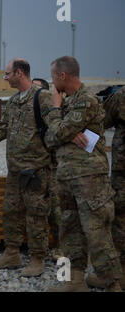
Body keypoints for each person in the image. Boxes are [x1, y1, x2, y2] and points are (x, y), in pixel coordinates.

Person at [0, 59, 55, 277]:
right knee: (11, 212)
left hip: (36, 170)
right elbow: (2, 130)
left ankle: (37, 259)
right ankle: (12, 253)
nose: (5, 78)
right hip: (15, 170)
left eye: (7, 74)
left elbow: (56, 128)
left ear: (19, 73)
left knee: (36, 215)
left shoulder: (42, 97)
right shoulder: (14, 101)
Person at [45, 56, 122, 292]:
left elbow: (57, 133)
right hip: (67, 177)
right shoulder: (70, 102)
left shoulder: (85, 100)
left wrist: (56, 112)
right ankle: (73, 281)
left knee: (96, 232)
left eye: (53, 76)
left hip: (90, 180)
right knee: (69, 232)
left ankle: (113, 284)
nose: (52, 82)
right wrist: (62, 130)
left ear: (62, 76)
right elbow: (50, 139)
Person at [84, 86, 125, 290]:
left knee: (120, 221)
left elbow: (98, 123)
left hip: (123, 173)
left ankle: (117, 276)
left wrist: (79, 145)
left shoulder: (122, 96)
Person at [32, 77, 63, 261]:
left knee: (56, 209)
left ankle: (61, 247)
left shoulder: (52, 109)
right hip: (36, 167)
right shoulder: (29, 109)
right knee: (37, 209)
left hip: (53, 166)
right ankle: (39, 250)